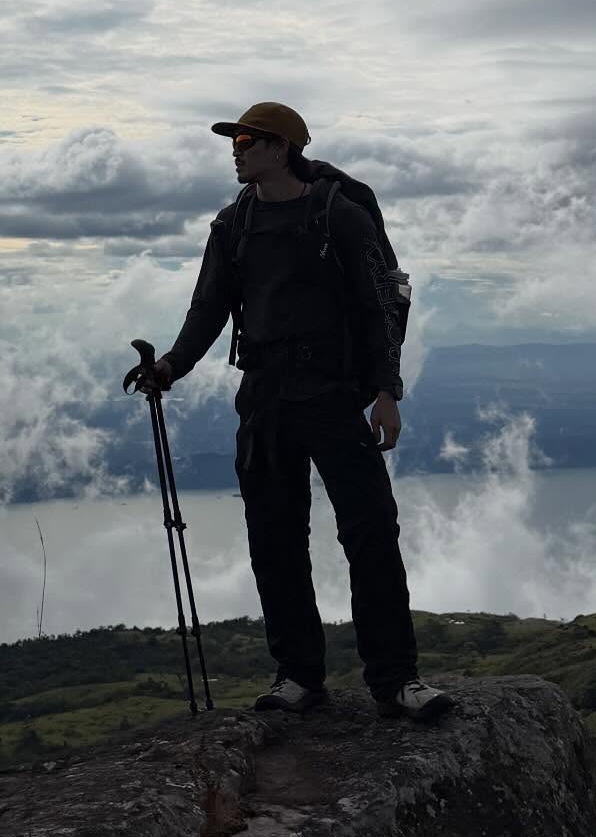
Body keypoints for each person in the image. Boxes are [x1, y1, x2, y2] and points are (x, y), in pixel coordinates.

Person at [145, 102, 453, 723]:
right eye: (233, 140)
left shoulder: (338, 217)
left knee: (370, 532)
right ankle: (299, 676)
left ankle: (395, 679)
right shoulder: (232, 227)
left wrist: (387, 392)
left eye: (247, 139)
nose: (235, 148)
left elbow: (377, 308)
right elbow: (208, 308)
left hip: (331, 393)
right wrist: (170, 367)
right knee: (275, 539)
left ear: (281, 147)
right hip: (264, 396)